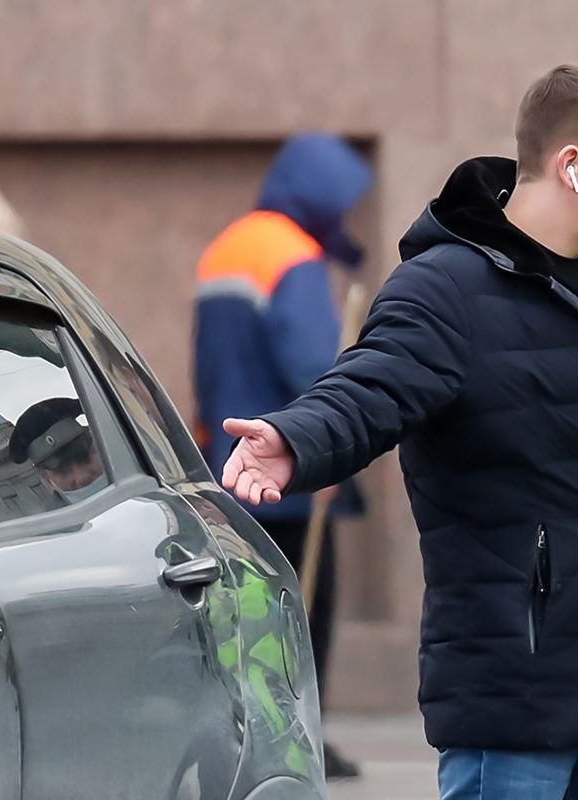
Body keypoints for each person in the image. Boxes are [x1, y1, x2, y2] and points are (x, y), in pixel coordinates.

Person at [218, 64, 578, 800]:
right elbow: (370, 384)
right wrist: (294, 439)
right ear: (571, 167)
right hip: (513, 701)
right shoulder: (447, 286)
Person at [192, 131, 371, 780]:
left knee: (247, 613)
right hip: (287, 469)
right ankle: (302, 740)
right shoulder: (291, 256)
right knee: (303, 607)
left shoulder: (226, 250)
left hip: (230, 465)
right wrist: (327, 448)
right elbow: (314, 367)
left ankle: (251, 734)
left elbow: (209, 368)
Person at [9, 397, 106, 503]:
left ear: (101, 447)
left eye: (84, 458)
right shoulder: (55, 520)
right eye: (62, 470)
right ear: (46, 480)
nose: (82, 478)